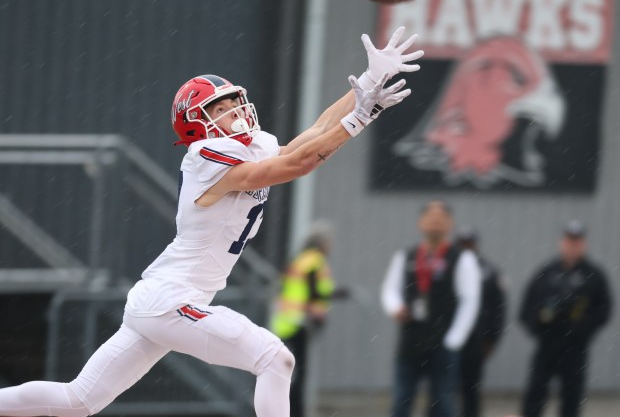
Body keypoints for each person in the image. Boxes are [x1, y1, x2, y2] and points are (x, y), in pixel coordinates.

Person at [0, 26, 423, 417]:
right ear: (198, 124)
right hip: (170, 298)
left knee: (78, 400)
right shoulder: (204, 157)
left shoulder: (252, 145)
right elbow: (298, 164)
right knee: (276, 359)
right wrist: (361, 118)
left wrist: (366, 82)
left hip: (166, 298)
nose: (236, 111)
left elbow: (312, 133)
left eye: (235, 102)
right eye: (220, 108)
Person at [381, 201, 481, 417]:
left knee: (443, 402)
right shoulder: (406, 256)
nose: (435, 222)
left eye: (440, 218)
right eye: (430, 217)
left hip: (443, 341)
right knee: (402, 400)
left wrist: (454, 340)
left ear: (449, 223)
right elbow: (390, 289)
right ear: (420, 222)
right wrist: (396, 308)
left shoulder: (462, 258)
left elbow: (470, 301)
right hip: (411, 340)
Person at [519, 220, 612, 417]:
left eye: (577, 241)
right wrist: (539, 323)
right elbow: (527, 306)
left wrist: (582, 326)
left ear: (584, 244)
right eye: (569, 241)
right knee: (536, 392)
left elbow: (604, 310)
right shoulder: (547, 272)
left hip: (575, 346)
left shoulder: (593, 275)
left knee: (572, 396)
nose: (572, 246)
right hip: (547, 343)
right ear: (562, 242)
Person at [271, 220, 347, 417]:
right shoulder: (314, 261)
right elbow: (315, 292)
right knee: (298, 376)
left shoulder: (301, 258)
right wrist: (339, 294)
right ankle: (295, 413)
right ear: (321, 242)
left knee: (288, 374)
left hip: (287, 322)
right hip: (299, 324)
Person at [456, 226, 506, 417]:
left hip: (476, 340)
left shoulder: (488, 271)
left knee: (471, 390)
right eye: (462, 245)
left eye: (469, 244)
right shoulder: (448, 267)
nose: (466, 249)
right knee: (442, 391)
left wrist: (492, 339)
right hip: (450, 341)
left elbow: (498, 308)